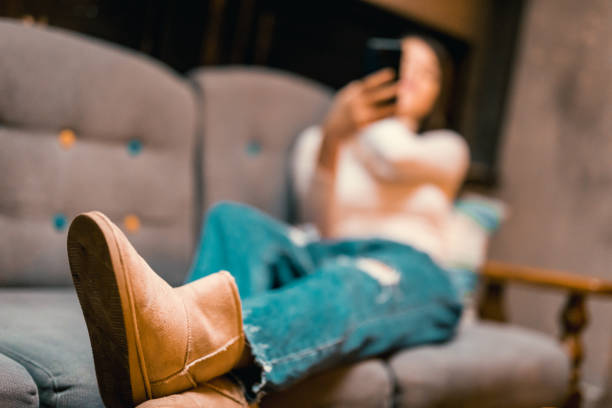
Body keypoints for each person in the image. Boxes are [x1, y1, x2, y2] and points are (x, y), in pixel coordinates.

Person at [66, 35, 469, 408]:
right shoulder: (322, 140)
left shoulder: (446, 149)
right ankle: (210, 384)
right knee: (232, 220)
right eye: (403, 63)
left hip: (416, 269)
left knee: (350, 278)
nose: (412, 77)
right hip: (326, 254)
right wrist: (331, 140)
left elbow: (393, 158)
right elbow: (322, 230)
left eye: (427, 72)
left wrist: (353, 123)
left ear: (438, 94)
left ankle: (185, 344)